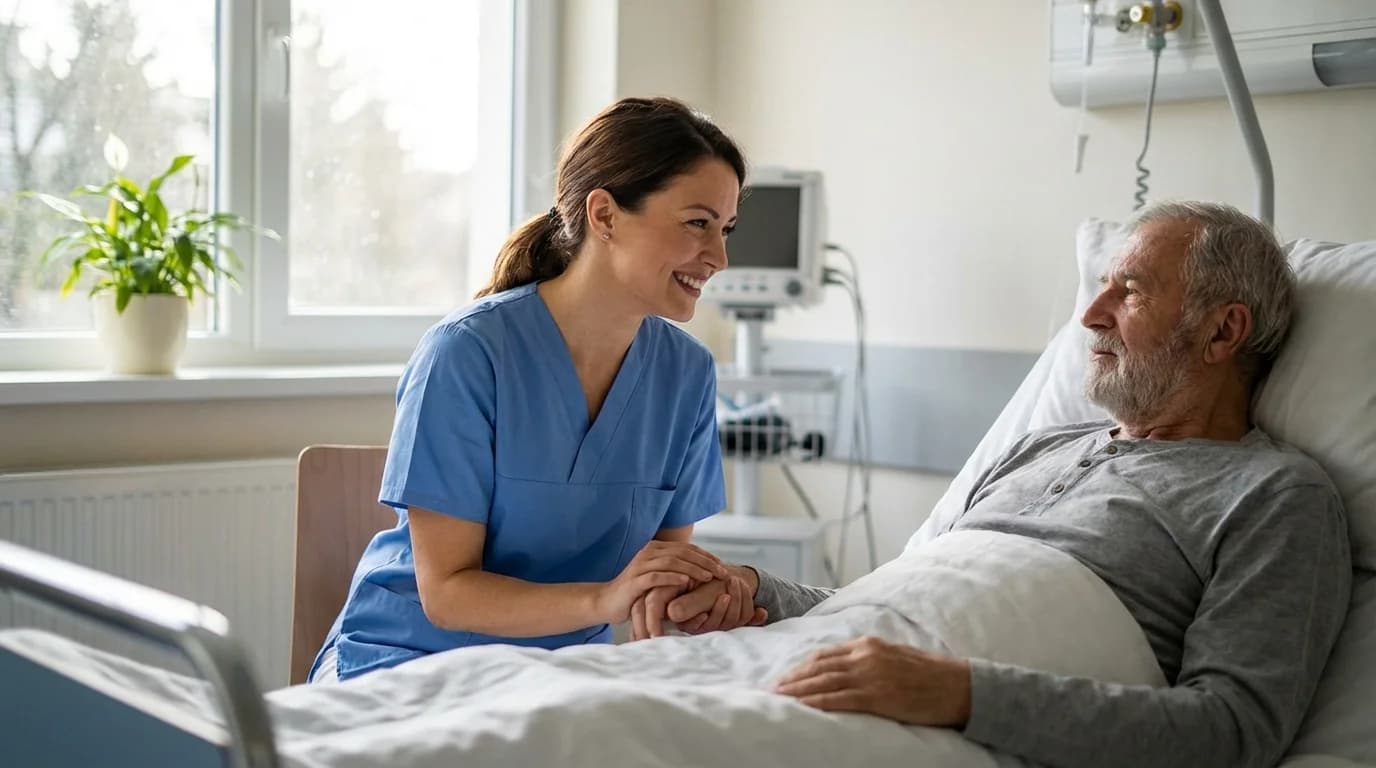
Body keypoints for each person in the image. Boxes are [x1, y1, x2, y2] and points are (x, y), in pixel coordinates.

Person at [642, 201, 1353, 768]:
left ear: (1224, 333)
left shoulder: (1274, 495)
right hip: (815, 670)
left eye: (1129, 290)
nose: (1090, 314)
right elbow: (890, 612)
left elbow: (1231, 733)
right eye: (1100, 285)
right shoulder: (1040, 448)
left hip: (934, 727)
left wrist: (959, 694)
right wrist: (754, 594)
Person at [309, 97, 766, 683]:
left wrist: (700, 597)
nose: (719, 257)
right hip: (408, 660)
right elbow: (446, 593)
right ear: (604, 215)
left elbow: (657, 580)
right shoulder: (467, 353)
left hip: (565, 674)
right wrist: (606, 601)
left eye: (725, 230)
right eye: (697, 223)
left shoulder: (687, 375)